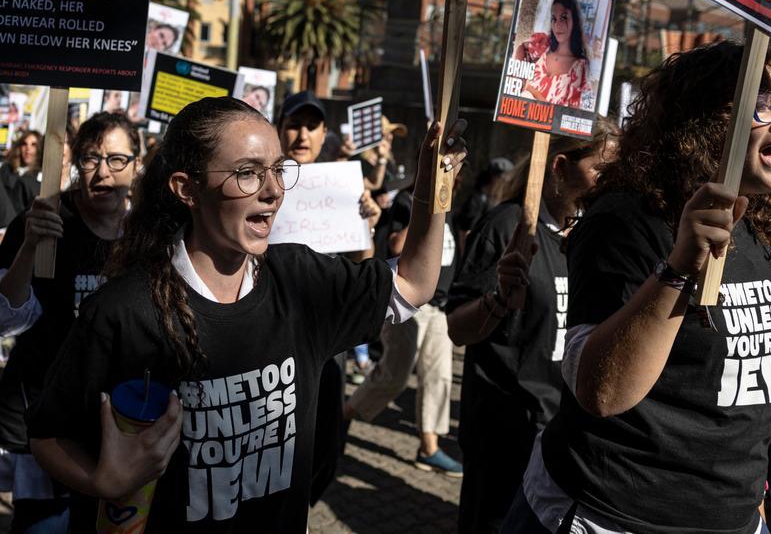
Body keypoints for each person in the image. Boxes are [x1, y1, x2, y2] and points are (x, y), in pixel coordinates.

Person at [27, 96, 467, 531]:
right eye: (248, 173)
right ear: (186, 188)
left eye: (277, 170)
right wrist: (103, 480)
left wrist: (433, 186)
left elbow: (413, 284)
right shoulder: (125, 310)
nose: (274, 190)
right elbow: (48, 434)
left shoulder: (300, 278)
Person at [501, 41, 771, 534]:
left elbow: (746, 408)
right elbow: (601, 392)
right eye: (764, 103)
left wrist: (753, 500)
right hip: (609, 518)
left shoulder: (765, 228)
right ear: (702, 121)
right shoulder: (627, 221)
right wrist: (678, 268)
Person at [447, 121, 619, 533]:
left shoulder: (591, 235)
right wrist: (499, 300)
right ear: (560, 166)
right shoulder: (507, 226)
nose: (612, 179)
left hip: (562, 433)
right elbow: (457, 328)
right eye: (602, 168)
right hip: (505, 431)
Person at [0, 112, 140, 533]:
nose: (103, 171)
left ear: (137, 165)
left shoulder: (149, 234)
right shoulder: (45, 223)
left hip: (122, 426)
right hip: (47, 422)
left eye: (117, 160)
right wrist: (30, 246)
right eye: (91, 159)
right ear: (75, 164)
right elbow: (1, 320)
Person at [277, 90, 383, 500]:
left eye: (312, 126)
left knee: (324, 448)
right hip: (271, 337)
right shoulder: (257, 183)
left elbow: (361, 267)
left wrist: (365, 226)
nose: (302, 134)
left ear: (324, 135)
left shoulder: (339, 188)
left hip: (325, 344)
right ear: (279, 128)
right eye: (293, 124)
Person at [344, 188, 465, 478]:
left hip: (439, 308)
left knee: (439, 378)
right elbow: (397, 244)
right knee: (394, 376)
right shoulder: (408, 200)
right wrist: (429, 211)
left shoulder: (448, 201)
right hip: (409, 307)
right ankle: (343, 415)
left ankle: (429, 447)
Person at [514, 0, 589, 108]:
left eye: (564, 18)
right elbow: (521, 47)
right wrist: (518, 75)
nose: (557, 25)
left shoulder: (580, 66)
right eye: (554, 19)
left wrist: (532, 91)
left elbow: (567, 112)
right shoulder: (545, 45)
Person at [453, 156, 515, 248]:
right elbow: (465, 234)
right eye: (504, 181)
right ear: (494, 178)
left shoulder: (498, 200)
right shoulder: (477, 201)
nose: (506, 185)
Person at [0, 129, 42, 213]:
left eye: (33, 145)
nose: (28, 148)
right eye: (24, 144)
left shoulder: (41, 176)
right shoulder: (6, 169)